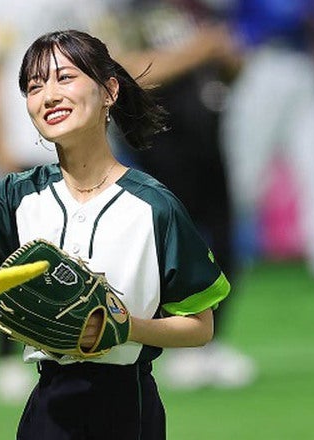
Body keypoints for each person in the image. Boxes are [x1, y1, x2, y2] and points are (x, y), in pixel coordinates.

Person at [0, 30, 231, 438]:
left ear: (109, 90)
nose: (49, 95)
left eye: (64, 78)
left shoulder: (154, 206)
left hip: (128, 410)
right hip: (47, 410)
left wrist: (123, 327)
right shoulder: (14, 197)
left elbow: (200, 326)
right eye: (34, 86)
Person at [93, 0, 256, 390]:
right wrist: (198, 50)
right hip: (159, 145)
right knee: (173, 246)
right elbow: (128, 70)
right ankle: (177, 345)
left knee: (223, 242)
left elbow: (230, 70)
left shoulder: (196, 12)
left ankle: (212, 342)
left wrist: (228, 57)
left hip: (208, 139)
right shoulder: (123, 13)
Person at [0, 0, 114, 403]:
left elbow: (107, 59)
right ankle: (5, 355)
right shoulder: (0, 5)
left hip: (84, 144)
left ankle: (78, 341)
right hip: (22, 144)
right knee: (14, 257)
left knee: (81, 252)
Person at [221, 0, 314, 284]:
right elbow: (283, 14)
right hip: (262, 62)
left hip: (307, 62)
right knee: (244, 174)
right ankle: (220, 256)